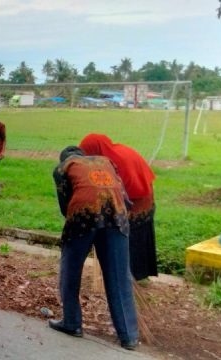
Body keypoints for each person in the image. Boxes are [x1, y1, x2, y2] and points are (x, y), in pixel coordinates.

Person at [50, 146, 139, 350]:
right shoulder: (105, 162)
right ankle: (129, 336)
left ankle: (72, 323)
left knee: (71, 271)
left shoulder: (63, 167)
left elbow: (65, 205)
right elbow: (125, 197)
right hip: (117, 216)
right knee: (118, 277)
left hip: (84, 216)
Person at [79, 134, 157, 281]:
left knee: (130, 236)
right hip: (144, 193)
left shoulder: (112, 161)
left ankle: (130, 277)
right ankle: (138, 276)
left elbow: (115, 194)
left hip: (137, 198)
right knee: (137, 235)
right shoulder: (116, 150)